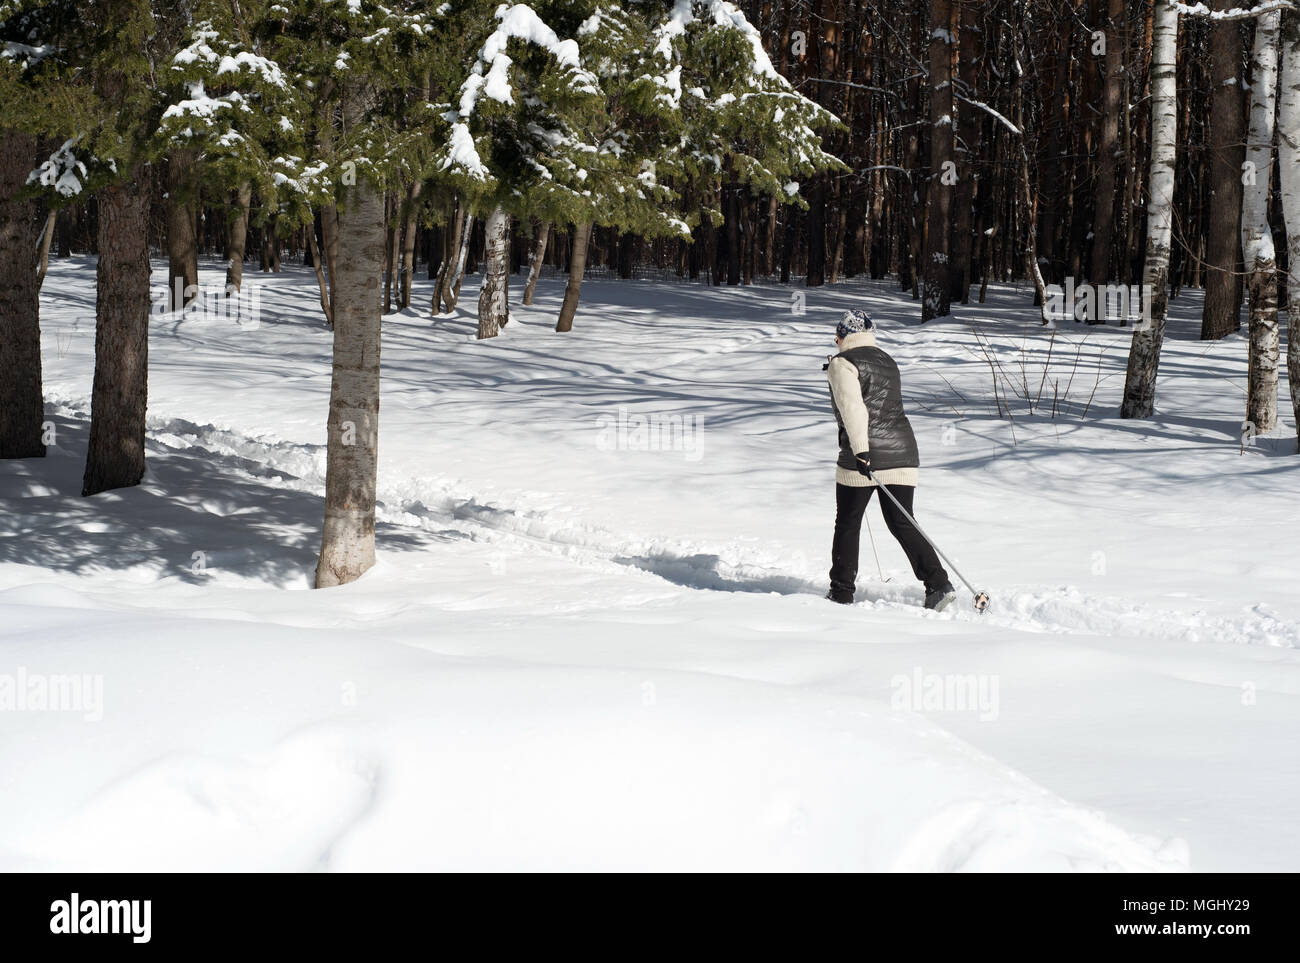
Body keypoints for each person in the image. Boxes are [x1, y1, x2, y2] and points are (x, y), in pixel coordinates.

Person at [824, 309, 956, 611]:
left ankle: (841, 592)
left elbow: (854, 409)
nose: (835, 339)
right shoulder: (887, 360)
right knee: (902, 521)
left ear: (844, 334)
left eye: (837, 334)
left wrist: (860, 450)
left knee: (847, 523)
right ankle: (938, 584)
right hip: (904, 450)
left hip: (865, 452)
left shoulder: (843, 364)